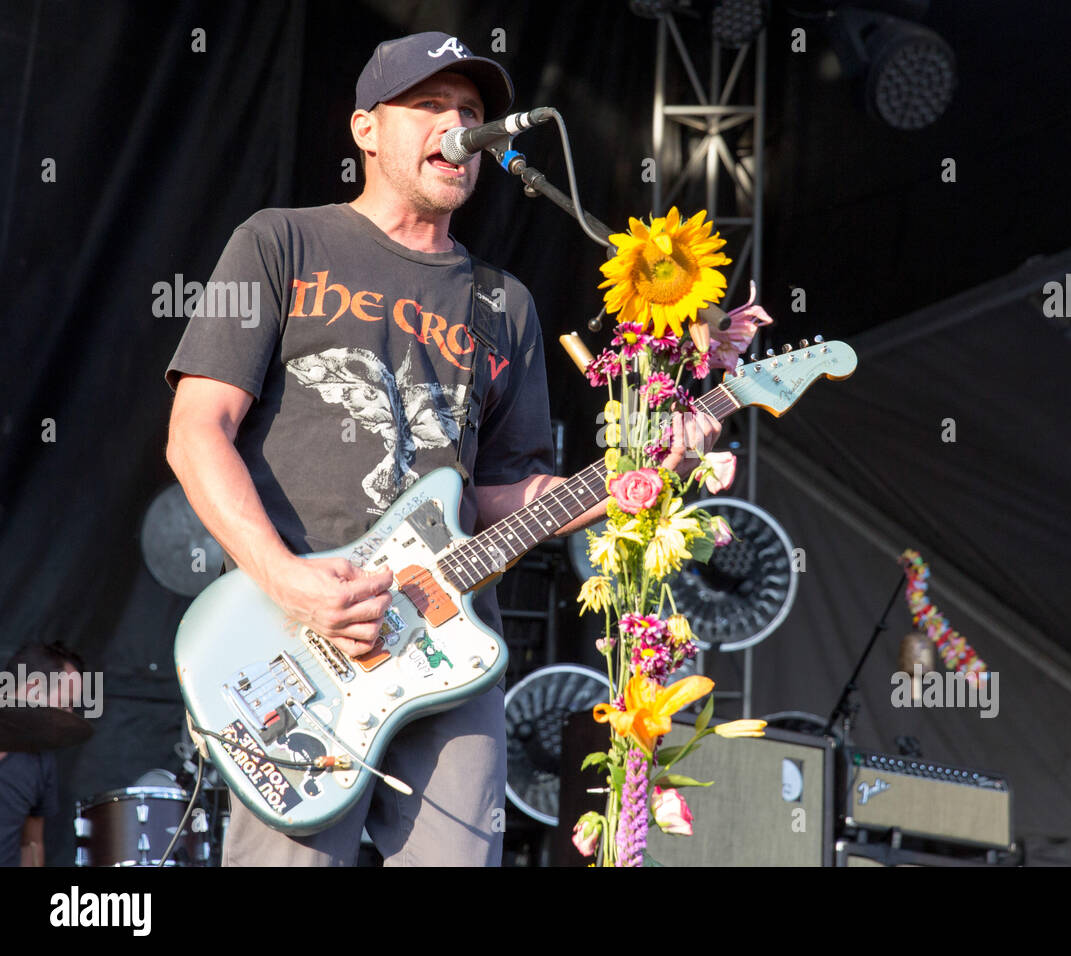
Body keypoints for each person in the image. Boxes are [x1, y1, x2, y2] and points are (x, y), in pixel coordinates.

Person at [164, 31, 719, 866]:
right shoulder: (280, 242)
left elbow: (503, 492)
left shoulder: (506, 304)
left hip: (450, 638)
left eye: (471, 112)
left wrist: (629, 481)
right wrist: (288, 581)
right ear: (365, 129)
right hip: (296, 634)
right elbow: (196, 430)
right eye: (430, 106)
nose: (460, 126)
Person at [0, 642, 85, 867]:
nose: (70, 716)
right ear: (33, 689)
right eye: (65, 705)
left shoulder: (40, 759)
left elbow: (31, 844)